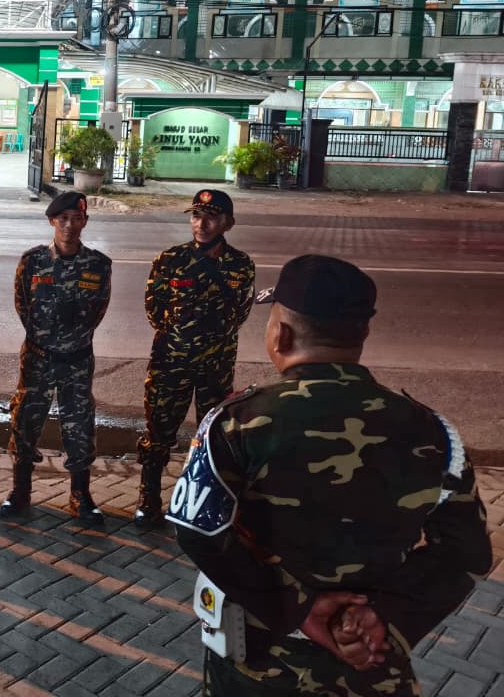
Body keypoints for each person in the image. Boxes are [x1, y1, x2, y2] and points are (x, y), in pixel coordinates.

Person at [167, 255, 492, 696]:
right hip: (370, 664)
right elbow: (466, 550)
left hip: (256, 670)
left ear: (279, 334)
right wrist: (382, 617)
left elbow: (197, 530)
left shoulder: (233, 423)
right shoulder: (433, 431)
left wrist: (299, 609)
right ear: (363, 334)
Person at [135, 188, 255, 529]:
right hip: (170, 362)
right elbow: (154, 309)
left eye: (212, 217)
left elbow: (241, 313)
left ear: (227, 223)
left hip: (216, 366)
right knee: (158, 431)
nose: (202, 224)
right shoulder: (169, 259)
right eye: (197, 216)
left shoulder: (241, 264)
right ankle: (149, 498)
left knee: (212, 436)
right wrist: (181, 338)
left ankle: (204, 499)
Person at [0, 191, 112, 524]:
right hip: (37, 357)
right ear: (52, 221)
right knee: (25, 421)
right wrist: (44, 339)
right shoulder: (32, 261)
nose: (69, 225)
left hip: (77, 359)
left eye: (76, 219)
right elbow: (23, 305)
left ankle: (81, 495)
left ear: (85, 222)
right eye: (63, 219)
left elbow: (98, 311)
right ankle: (20, 492)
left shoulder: (98, 264)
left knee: (79, 424)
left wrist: (70, 340)